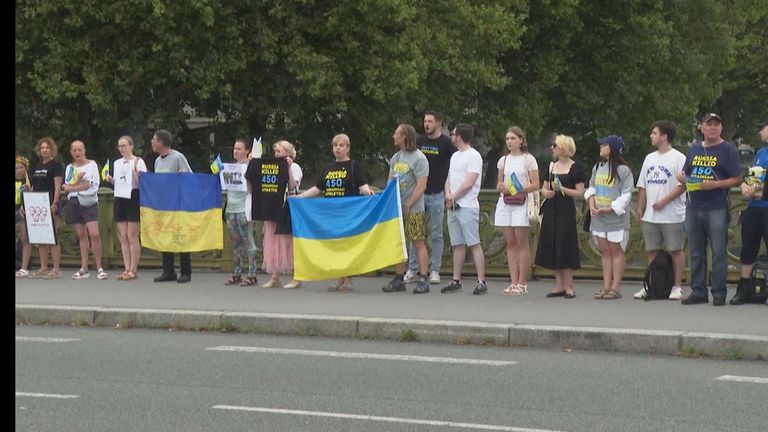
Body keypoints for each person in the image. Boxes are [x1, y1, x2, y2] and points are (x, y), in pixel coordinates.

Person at [676, 113, 742, 306]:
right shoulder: (694, 150)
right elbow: (685, 173)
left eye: (716, 125)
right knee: (696, 251)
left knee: (719, 251)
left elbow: (737, 178)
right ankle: (698, 290)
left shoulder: (727, 150)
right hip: (694, 205)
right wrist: (683, 179)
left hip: (716, 206)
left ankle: (719, 292)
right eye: (709, 124)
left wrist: (717, 184)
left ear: (721, 129)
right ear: (701, 128)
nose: (713, 128)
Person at [298, 133, 374, 291]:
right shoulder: (328, 168)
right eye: (335, 145)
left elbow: (362, 186)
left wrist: (368, 192)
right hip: (330, 214)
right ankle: (339, 278)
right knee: (335, 246)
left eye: (341, 145)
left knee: (347, 245)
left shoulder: (354, 166)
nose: (337, 148)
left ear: (347, 148)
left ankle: (348, 280)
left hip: (349, 213)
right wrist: (299, 197)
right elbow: (318, 188)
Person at [634, 121, 687, 300]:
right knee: (652, 250)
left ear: (664, 136)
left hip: (672, 214)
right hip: (651, 214)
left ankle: (677, 286)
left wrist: (664, 201)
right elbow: (642, 185)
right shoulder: (649, 158)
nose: (651, 136)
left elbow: (683, 186)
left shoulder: (679, 158)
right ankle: (651, 284)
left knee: (675, 249)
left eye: (654, 133)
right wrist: (640, 207)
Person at [403, 111, 455, 285]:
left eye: (430, 121)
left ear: (438, 123)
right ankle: (412, 268)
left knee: (436, 233)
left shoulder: (446, 143)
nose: (426, 124)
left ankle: (435, 270)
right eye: (425, 121)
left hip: (437, 193)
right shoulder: (420, 142)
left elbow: (451, 169)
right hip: (418, 194)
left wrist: (448, 190)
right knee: (415, 232)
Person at [382, 123, 431, 294]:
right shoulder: (396, 157)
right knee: (398, 242)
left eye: (396, 134)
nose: (393, 136)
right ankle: (398, 277)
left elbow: (421, 185)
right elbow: (390, 181)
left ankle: (424, 277)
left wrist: (408, 204)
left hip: (413, 207)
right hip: (396, 206)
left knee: (417, 241)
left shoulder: (419, 158)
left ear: (404, 137)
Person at [535, 135, 586, 298]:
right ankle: (558, 285)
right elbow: (543, 187)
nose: (552, 148)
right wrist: (547, 192)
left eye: (555, 145)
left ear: (564, 148)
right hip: (551, 208)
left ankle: (569, 285)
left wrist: (562, 189)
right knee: (552, 243)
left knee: (565, 243)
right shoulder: (551, 167)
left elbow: (580, 192)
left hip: (565, 209)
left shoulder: (575, 167)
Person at [585, 135, 634, 300]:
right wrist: (592, 204)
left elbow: (626, 195)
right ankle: (606, 286)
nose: (601, 147)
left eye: (604, 145)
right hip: (598, 218)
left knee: (616, 251)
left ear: (612, 148)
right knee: (605, 252)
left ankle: (615, 287)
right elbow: (591, 188)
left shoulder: (623, 170)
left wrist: (610, 208)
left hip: (615, 219)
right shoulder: (598, 166)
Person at [441, 123, 487, 295]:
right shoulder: (455, 156)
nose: (451, 136)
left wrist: (454, 196)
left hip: (467, 205)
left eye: (453, 134)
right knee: (457, 244)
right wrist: (447, 193)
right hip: (453, 205)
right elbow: (449, 177)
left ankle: (481, 281)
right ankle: (456, 279)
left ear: (459, 136)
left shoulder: (474, 156)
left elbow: (470, 181)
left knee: (474, 243)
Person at [494, 126, 539, 295]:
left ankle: (522, 282)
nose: (510, 142)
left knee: (521, 242)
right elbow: (500, 182)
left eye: (513, 138)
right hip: (505, 203)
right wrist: (501, 186)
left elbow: (535, 184)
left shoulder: (528, 159)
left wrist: (514, 189)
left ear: (521, 140)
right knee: (510, 242)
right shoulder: (503, 160)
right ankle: (513, 281)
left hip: (521, 201)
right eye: (507, 139)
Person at [730, 118, 768, 305]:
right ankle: (744, 288)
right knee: (748, 249)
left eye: (763, 128)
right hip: (754, 208)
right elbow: (755, 175)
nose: (760, 132)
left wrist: (763, 191)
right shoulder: (761, 152)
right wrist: (745, 185)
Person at [151, 129, 194, 283]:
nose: (152, 142)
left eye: (154, 139)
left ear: (161, 142)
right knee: (165, 236)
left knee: (180, 236)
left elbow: (190, 175)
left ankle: (186, 271)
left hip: (178, 203)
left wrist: (183, 175)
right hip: (164, 204)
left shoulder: (177, 157)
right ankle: (168, 271)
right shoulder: (157, 161)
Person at [261, 140, 303, 289]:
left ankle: (296, 277)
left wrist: (288, 167)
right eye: (275, 151)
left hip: (288, 205)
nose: (276, 154)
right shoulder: (273, 167)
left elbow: (292, 186)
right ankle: (275, 276)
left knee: (288, 242)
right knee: (273, 241)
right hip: (274, 205)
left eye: (279, 151)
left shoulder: (295, 167)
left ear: (288, 153)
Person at [63, 140, 107, 280]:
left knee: (94, 234)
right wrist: (76, 182)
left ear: (84, 150)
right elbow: (66, 186)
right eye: (74, 150)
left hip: (88, 201)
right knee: (81, 235)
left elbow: (88, 185)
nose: (77, 152)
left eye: (79, 149)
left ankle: (99, 267)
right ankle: (84, 267)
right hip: (74, 202)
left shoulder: (92, 165)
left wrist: (73, 185)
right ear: (71, 152)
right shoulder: (70, 167)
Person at [105, 135, 147, 281]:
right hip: (120, 196)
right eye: (119, 146)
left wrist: (135, 176)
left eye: (124, 145)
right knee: (123, 236)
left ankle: (133, 269)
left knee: (132, 235)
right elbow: (119, 181)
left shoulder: (138, 162)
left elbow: (142, 183)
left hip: (133, 196)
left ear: (131, 146)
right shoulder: (117, 163)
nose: (121, 149)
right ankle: (126, 267)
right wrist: (111, 180)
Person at [223, 138, 259, 287]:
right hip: (231, 207)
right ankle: (237, 272)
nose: (236, 151)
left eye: (239, 149)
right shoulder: (230, 167)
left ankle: (252, 274)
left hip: (244, 207)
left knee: (248, 240)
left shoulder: (250, 167)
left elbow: (254, 186)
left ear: (247, 151)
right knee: (236, 242)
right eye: (234, 148)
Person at [28, 137, 64, 279]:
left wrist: (54, 203)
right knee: (41, 236)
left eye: (47, 148)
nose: (44, 150)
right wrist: (27, 203)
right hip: (37, 204)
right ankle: (43, 268)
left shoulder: (56, 165)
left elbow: (57, 186)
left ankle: (56, 269)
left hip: (49, 202)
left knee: (52, 236)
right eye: (42, 148)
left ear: (52, 149)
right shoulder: (37, 165)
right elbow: (33, 186)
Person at [15, 155, 32, 278]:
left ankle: (24, 267)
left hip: (22, 210)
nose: (18, 170)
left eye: (21, 167)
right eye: (16, 168)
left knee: (24, 238)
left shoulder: (29, 181)